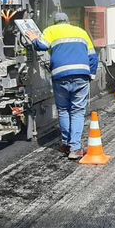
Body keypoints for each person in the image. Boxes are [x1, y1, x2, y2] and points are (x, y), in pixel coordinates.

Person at [27, 12, 99, 160]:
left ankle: (66, 144)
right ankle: (76, 148)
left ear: (55, 22)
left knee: (63, 110)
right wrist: (91, 74)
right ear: (68, 21)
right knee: (77, 111)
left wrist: (34, 39)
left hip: (60, 76)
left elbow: (42, 46)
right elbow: (93, 56)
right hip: (81, 75)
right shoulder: (81, 32)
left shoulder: (50, 30)